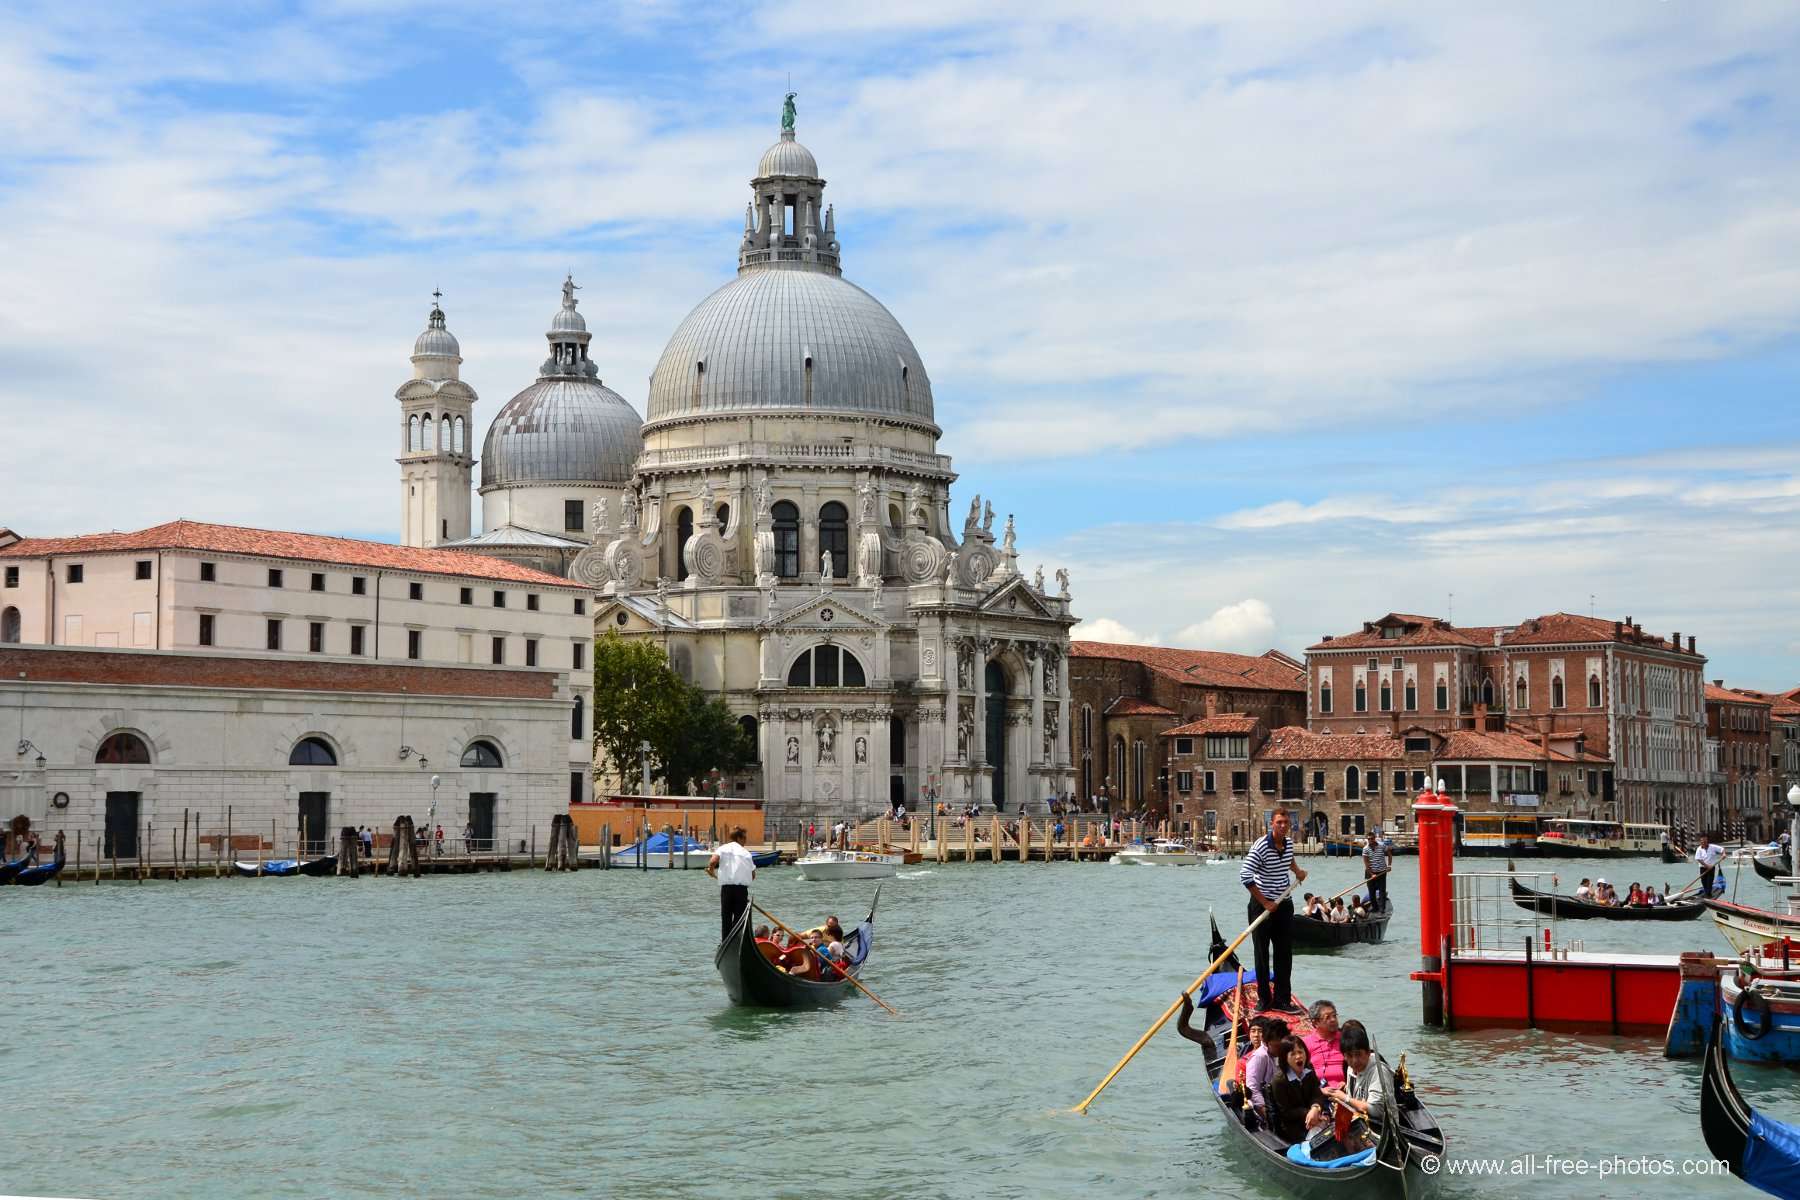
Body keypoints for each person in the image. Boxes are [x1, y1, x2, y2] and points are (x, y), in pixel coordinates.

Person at [1240, 808, 1307, 1014]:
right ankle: (1264, 1000)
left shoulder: (1287, 844)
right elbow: (1245, 875)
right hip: (1261, 906)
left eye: (1286, 822)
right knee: (1261, 954)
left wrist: (1298, 872)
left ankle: (1282, 1000)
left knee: (1284, 953)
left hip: (1284, 904)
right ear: (1272, 824)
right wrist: (1265, 902)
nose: (1283, 826)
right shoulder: (1260, 846)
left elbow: (1289, 859)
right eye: (1279, 822)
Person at [1323, 1020, 1391, 1151]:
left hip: (1380, 1127)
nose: (1354, 1061)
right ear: (1344, 1056)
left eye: (1359, 1054)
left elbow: (1375, 1110)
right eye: (1349, 1056)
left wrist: (1345, 1098)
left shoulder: (1378, 1070)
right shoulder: (1350, 1069)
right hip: (1359, 1124)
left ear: (1367, 1052)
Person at [1268, 1037, 1330, 1145]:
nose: (1298, 1056)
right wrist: (1310, 1114)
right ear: (1285, 1058)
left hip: (1315, 1116)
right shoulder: (1279, 1081)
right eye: (1293, 1054)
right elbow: (1286, 1112)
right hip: (1293, 1126)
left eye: (1300, 1052)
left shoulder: (1309, 1068)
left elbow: (1317, 1093)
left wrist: (1316, 1108)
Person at [705, 826, 757, 942]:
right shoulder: (746, 853)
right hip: (741, 891)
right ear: (739, 838)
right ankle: (735, 942)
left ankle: (725, 942)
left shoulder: (723, 848)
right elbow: (753, 875)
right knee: (739, 919)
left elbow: (713, 861)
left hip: (727, 889)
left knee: (726, 917)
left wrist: (711, 869)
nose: (745, 841)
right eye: (744, 838)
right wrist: (743, 877)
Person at [1303, 1000, 1346, 1089]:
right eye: (1328, 1017)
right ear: (1315, 1022)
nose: (1333, 1019)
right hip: (1317, 1093)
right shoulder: (1306, 1043)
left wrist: (1347, 1085)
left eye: (1334, 1016)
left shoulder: (1345, 1039)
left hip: (1345, 1092)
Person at [1362, 830, 1391, 910]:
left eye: (1371, 839)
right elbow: (1366, 863)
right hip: (1370, 872)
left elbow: (1389, 854)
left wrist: (1389, 866)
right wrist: (1371, 874)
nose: (1370, 840)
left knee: (1382, 891)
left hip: (1382, 871)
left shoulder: (1382, 845)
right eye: (1368, 839)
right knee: (1371, 892)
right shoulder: (1365, 849)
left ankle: (1382, 909)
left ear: (1374, 838)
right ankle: (1375, 908)